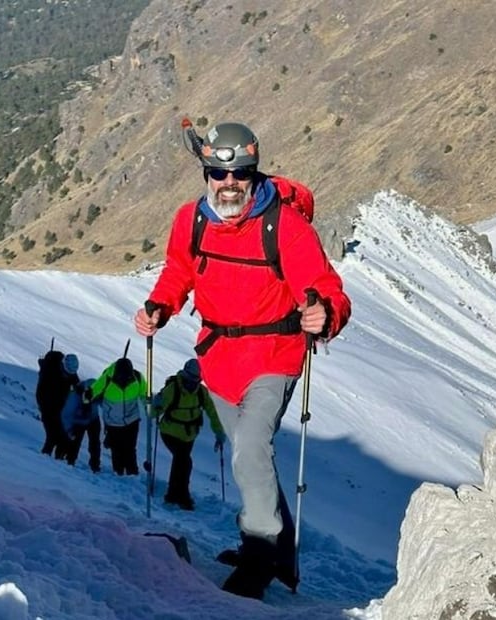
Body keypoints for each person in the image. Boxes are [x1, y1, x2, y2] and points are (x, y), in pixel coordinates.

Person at [133, 121, 351, 599]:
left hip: (275, 354)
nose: (229, 184)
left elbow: (325, 288)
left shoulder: (285, 225)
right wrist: (159, 307)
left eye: (240, 174)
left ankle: (259, 556)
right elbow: (179, 271)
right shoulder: (190, 220)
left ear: (254, 173)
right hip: (218, 360)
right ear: (207, 174)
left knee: (251, 447)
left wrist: (325, 313)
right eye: (219, 174)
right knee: (251, 459)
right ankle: (279, 552)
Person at [150, 358, 225, 511]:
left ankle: (175, 495)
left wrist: (219, 432)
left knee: (182, 462)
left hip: (189, 436)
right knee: (183, 461)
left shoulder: (201, 393)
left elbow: (212, 412)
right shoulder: (172, 389)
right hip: (170, 432)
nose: (191, 384)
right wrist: (155, 404)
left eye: (195, 381)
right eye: (189, 380)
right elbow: (153, 414)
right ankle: (179, 496)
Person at [86, 357, 147, 476]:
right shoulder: (108, 378)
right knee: (117, 449)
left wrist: (149, 406)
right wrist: (88, 396)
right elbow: (95, 389)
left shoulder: (138, 378)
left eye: (127, 377)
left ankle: (132, 473)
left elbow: (144, 395)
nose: (124, 380)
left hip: (132, 420)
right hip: (113, 422)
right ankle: (118, 473)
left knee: (130, 448)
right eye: (122, 377)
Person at [36, 349, 79, 458]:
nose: (69, 375)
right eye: (68, 372)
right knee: (52, 437)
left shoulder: (71, 373)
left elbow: (76, 385)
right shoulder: (49, 373)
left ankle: (57, 460)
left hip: (61, 409)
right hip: (48, 409)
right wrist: (45, 408)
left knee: (63, 438)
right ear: (63, 365)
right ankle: (44, 459)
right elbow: (40, 394)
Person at [60, 368, 102, 473]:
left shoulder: (97, 391)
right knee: (75, 442)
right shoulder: (74, 397)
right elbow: (66, 415)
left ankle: (95, 466)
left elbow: (104, 404)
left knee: (95, 443)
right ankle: (70, 461)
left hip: (93, 419)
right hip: (79, 421)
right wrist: (69, 430)